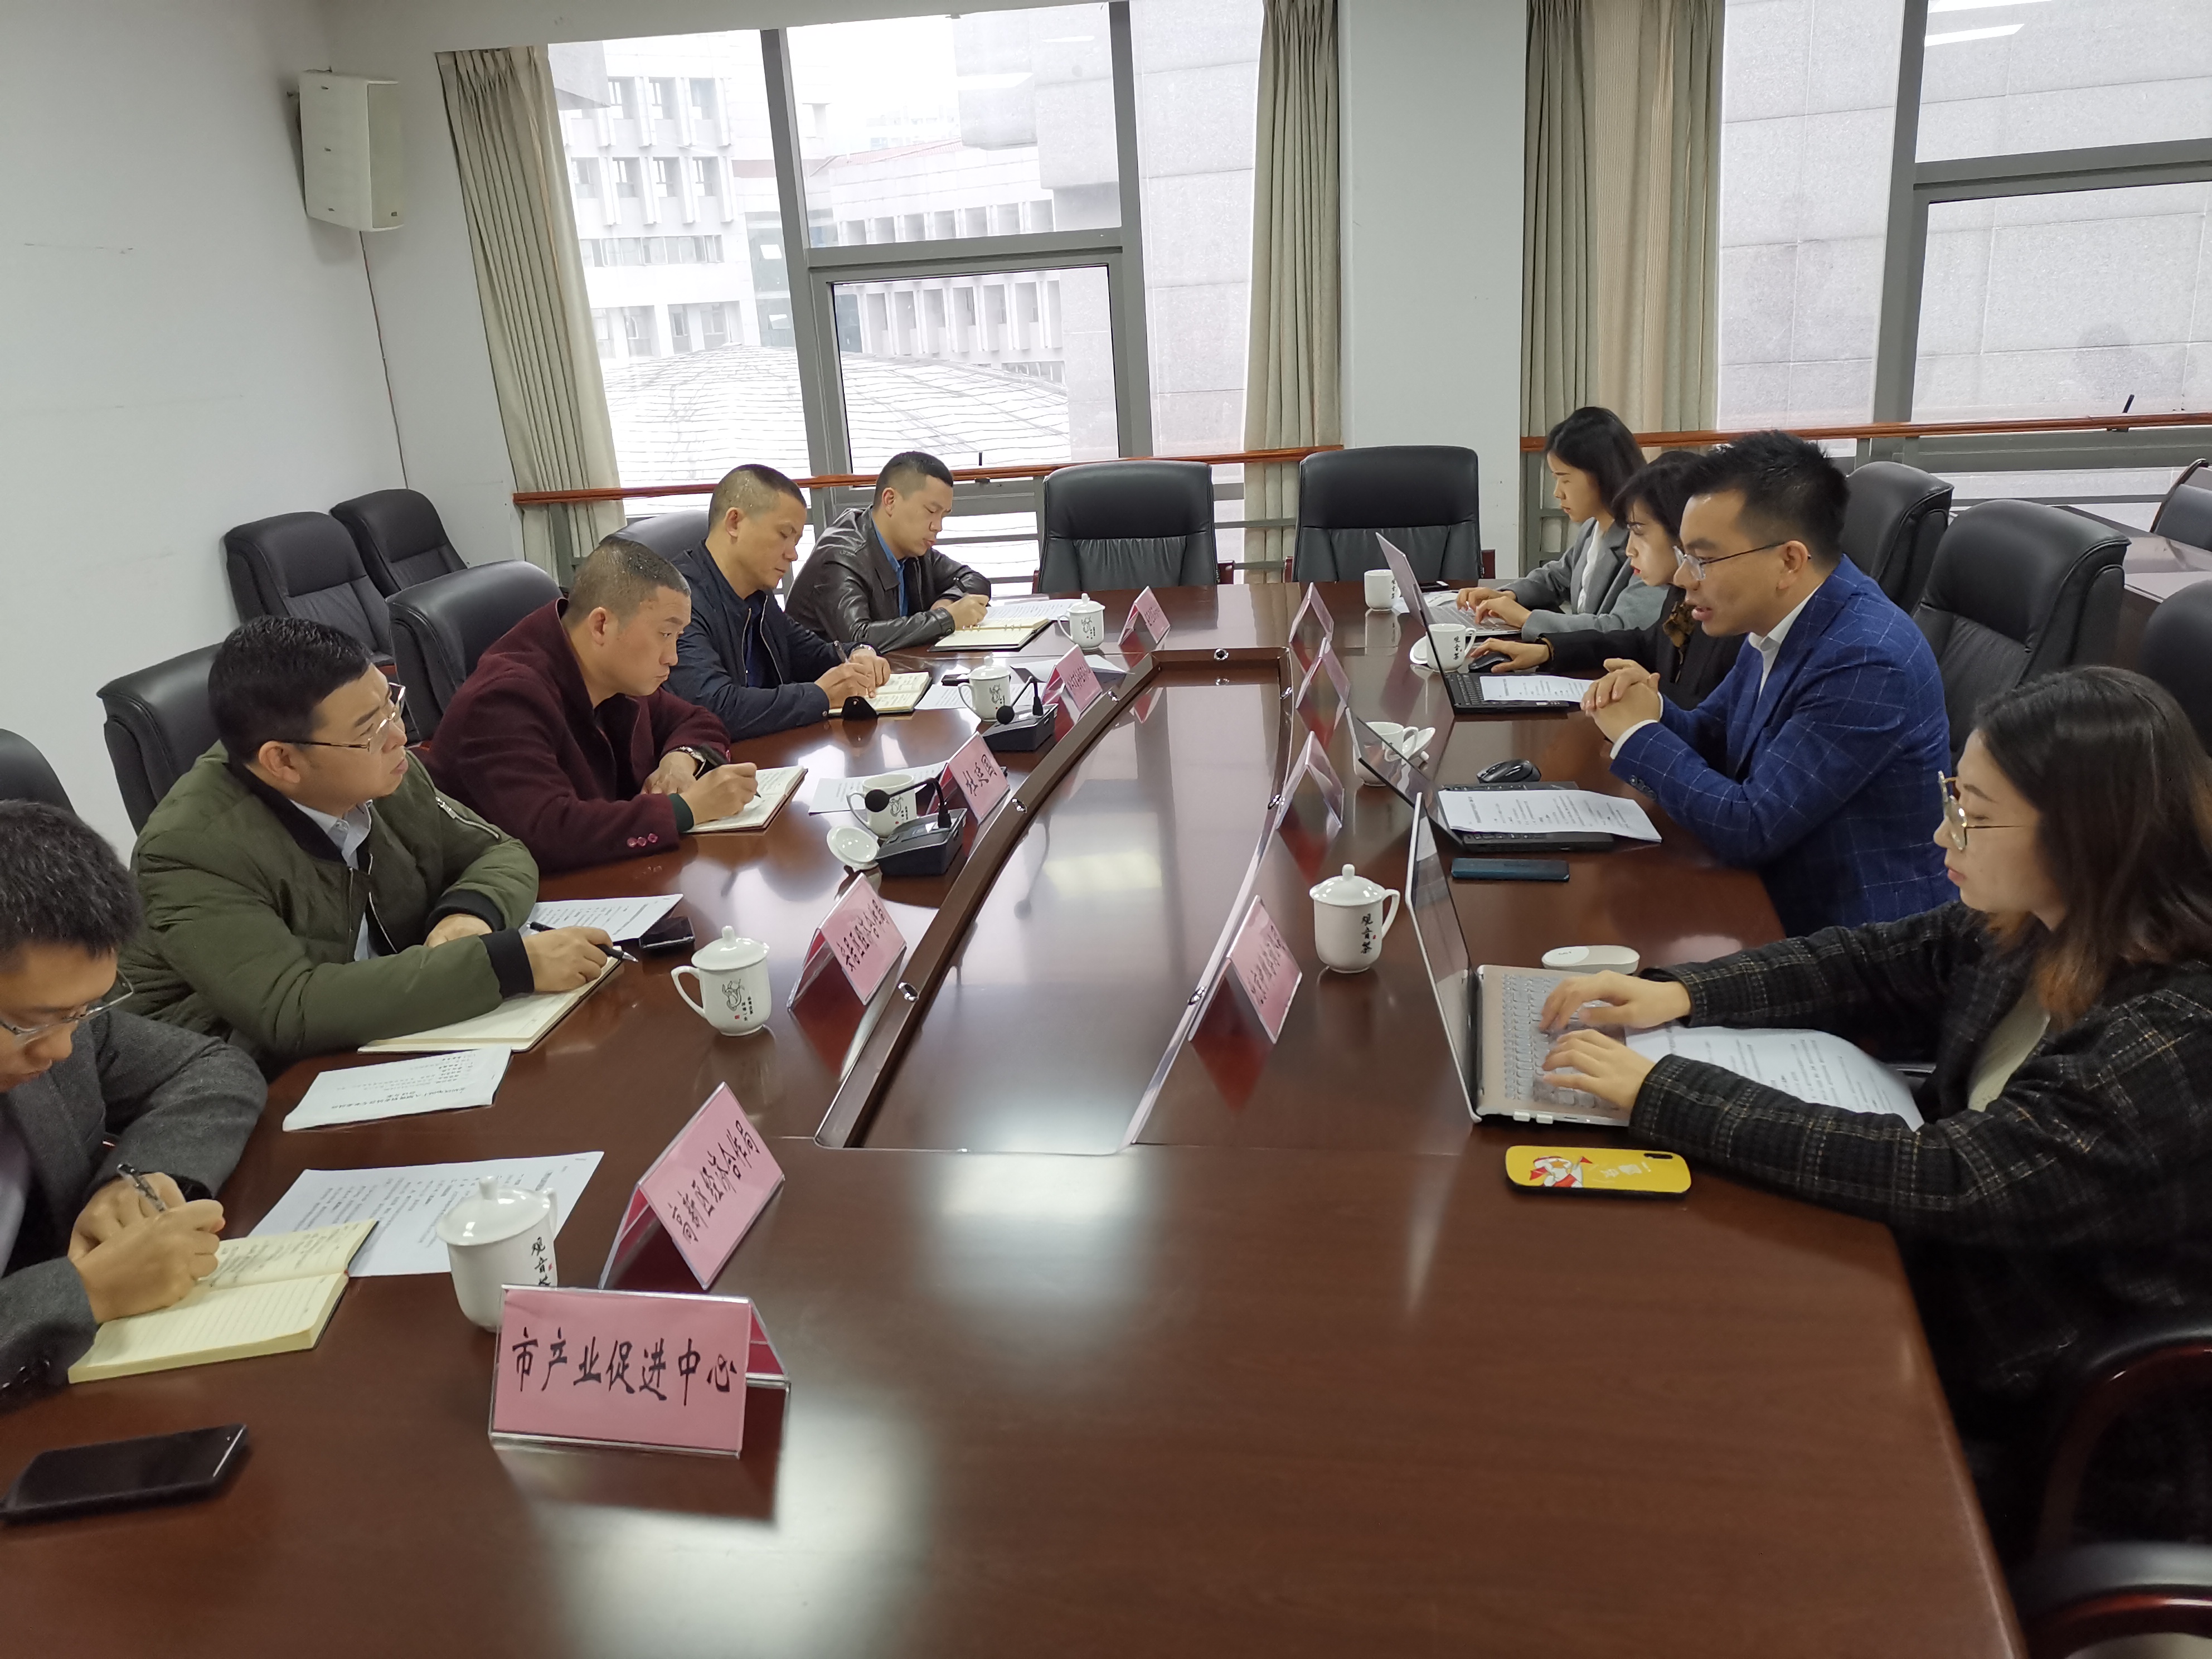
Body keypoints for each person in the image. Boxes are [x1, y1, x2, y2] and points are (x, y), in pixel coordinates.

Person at [1537, 667, 2212, 1550]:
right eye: (1953, 797)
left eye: (1974, 814)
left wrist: (1664, 1091)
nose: (1942, 832)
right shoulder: (2046, 921)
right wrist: (1682, 994)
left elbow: (1955, 1173)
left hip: (2052, 1402)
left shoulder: (2176, 1033)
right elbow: (1872, 960)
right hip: (1947, 1287)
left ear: (2089, 836)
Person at [120, 617, 609, 1073]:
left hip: (392, 1023)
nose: (398, 736)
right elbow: (291, 1009)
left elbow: (499, 851)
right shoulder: (189, 851)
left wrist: (469, 914)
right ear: (283, 761)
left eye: (391, 706)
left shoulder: (384, 771)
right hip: (248, 1074)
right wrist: (507, 965)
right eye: (370, 729)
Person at [1584, 430, 1951, 934]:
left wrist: (1638, 735)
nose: (1684, 579)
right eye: (1685, 556)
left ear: (1789, 561)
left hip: (1855, 939)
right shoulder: (1784, 617)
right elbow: (1717, 735)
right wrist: (1654, 710)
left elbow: (1751, 827)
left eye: (1703, 560)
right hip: (1777, 894)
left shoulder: (1865, 660)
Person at [0, 802, 265, 1396]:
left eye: (82, 1013)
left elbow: (211, 1069)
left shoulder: (55, 1015)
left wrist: (132, 1183)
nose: (62, 1049)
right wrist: (85, 1292)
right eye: (33, 1023)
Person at [426, 537, 761, 873]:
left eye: (678, 638)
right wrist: (686, 810)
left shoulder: (613, 671)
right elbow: (548, 831)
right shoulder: (503, 700)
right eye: (665, 634)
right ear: (601, 625)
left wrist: (681, 760)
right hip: (530, 893)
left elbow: (698, 720)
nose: (672, 657)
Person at [1476, 450, 1744, 710]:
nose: (1630, 550)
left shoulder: (1733, 622)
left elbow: (1718, 718)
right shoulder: (1680, 595)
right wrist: (1549, 650)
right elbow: (1642, 643)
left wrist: (1652, 694)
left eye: (1639, 532)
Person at [664, 463, 894, 741]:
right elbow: (714, 706)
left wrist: (860, 652)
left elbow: (811, 655)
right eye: (785, 535)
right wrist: (820, 696)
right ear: (734, 523)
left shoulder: (757, 595)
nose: (793, 554)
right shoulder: (678, 599)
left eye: (796, 540)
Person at [1456, 406, 1665, 639]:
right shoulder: (1593, 528)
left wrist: (1526, 619)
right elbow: (1557, 577)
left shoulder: (1648, 543)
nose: (1557, 493)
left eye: (1565, 480)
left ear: (1603, 474)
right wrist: (1508, 595)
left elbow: (1620, 628)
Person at [787, 450, 992, 652]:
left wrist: (947, 602)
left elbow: (974, 579)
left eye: (943, 516)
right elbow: (858, 639)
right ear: (890, 501)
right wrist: (946, 618)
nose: (938, 526)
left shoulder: (914, 549)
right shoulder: (841, 557)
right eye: (931, 511)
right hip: (825, 673)